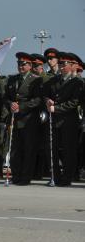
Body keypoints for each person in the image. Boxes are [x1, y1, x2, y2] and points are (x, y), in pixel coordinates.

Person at [43, 52, 83, 186]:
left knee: (68, 150)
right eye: (60, 63)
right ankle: (55, 176)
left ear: (72, 66)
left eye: (64, 64)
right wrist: (48, 101)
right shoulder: (53, 80)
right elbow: (46, 95)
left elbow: (74, 102)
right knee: (52, 149)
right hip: (53, 121)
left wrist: (57, 108)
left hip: (68, 121)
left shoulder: (77, 82)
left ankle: (67, 178)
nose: (61, 66)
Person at [3, 52, 43, 185]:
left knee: (28, 149)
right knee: (14, 150)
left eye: (23, 64)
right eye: (19, 63)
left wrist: (21, 107)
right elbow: (6, 98)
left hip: (28, 120)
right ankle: (16, 175)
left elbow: (37, 100)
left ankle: (25, 177)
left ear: (30, 65)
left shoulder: (36, 79)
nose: (20, 66)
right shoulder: (12, 79)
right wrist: (11, 104)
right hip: (14, 119)